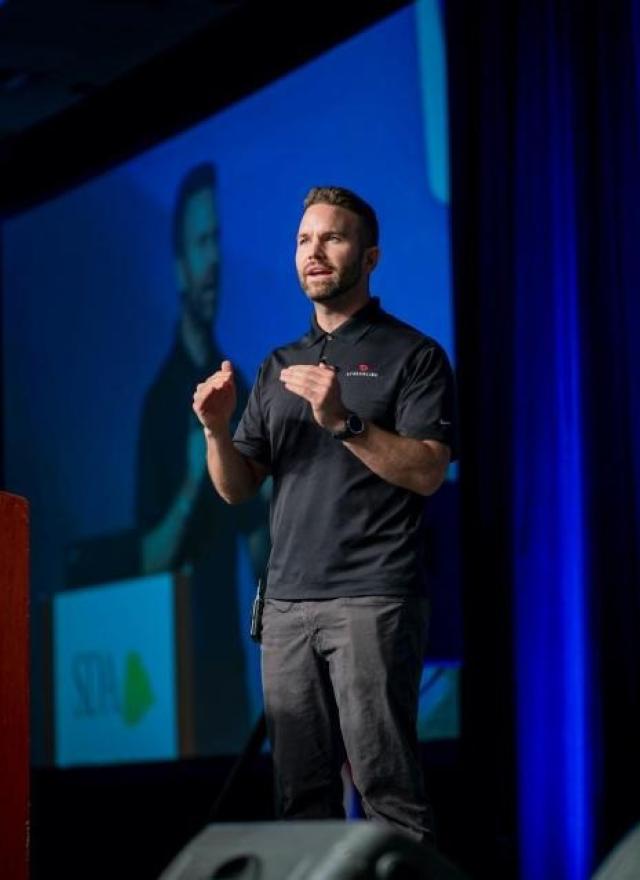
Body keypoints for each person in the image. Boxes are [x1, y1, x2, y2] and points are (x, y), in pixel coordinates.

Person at [192, 185, 456, 841]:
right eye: (304, 240)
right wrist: (217, 432)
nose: (314, 252)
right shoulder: (279, 365)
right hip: (285, 607)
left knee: (388, 793)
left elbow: (427, 471)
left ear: (369, 257)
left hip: (371, 597)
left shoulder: (414, 355)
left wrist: (343, 421)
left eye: (332, 238)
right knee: (299, 805)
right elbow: (236, 489)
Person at [136, 162, 269, 754]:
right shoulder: (160, 404)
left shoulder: (239, 381)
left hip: (231, 683)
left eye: (218, 240)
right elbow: (146, 560)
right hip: (163, 685)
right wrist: (197, 480)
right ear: (180, 269)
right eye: (201, 243)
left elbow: (258, 542)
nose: (213, 259)